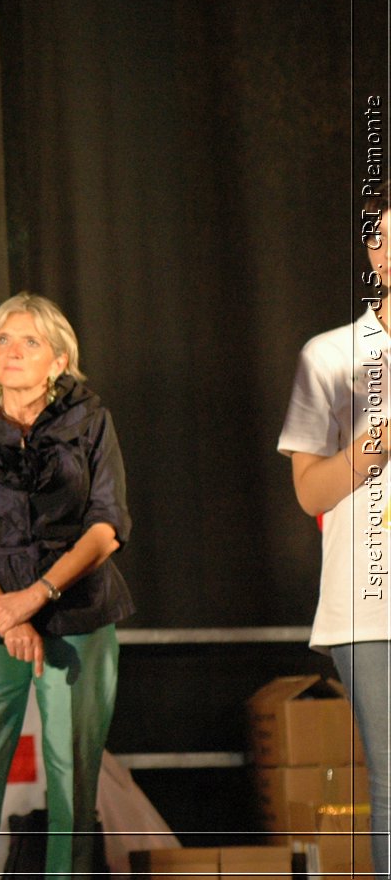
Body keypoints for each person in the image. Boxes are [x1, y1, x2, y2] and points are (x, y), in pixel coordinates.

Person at [0, 292, 133, 878]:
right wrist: (6, 611)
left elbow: (106, 527)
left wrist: (37, 596)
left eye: (29, 342)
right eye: (2, 340)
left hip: (77, 611)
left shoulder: (89, 417)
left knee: (73, 779)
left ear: (59, 360)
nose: (12, 352)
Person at [278, 205, 391, 880]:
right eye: (381, 237)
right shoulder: (331, 356)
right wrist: (376, 443)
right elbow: (310, 493)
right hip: (372, 604)